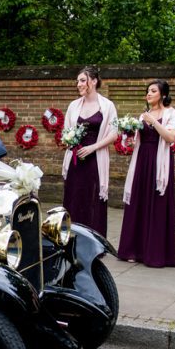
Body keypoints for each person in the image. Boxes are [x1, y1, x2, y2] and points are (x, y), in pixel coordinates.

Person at [117, 79, 175, 267]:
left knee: (157, 204)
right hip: (142, 161)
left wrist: (153, 122)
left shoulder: (170, 113)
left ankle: (154, 253)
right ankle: (133, 250)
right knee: (139, 202)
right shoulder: (142, 115)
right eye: (147, 91)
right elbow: (137, 140)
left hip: (159, 162)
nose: (149, 93)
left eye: (153, 90)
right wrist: (128, 139)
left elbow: (171, 138)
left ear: (163, 94)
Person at [62, 66, 119, 236]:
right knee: (74, 197)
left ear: (93, 81)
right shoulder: (73, 106)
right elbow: (66, 132)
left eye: (82, 80)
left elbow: (114, 134)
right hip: (75, 159)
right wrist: (69, 141)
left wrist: (93, 148)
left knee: (93, 199)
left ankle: (94, 240)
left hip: (95, 159)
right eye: (77, 81)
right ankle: (71, 238)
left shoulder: (107, 106)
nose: (78, 84)